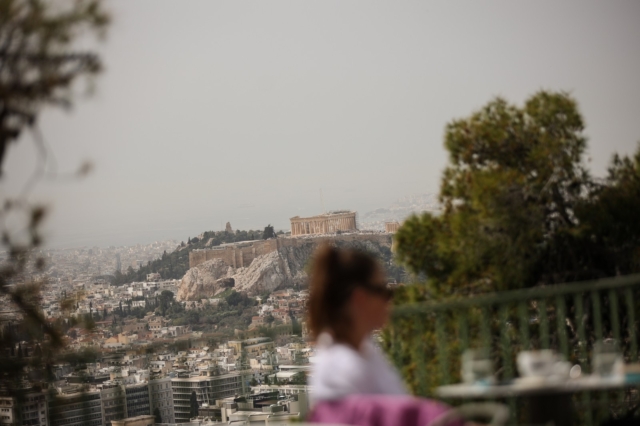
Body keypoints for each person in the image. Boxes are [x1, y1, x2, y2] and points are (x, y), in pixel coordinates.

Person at [307, 244, 406, 403]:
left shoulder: (366, 351)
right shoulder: (342, 368)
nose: (389, 299)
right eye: (383, 291)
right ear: (360, 298)